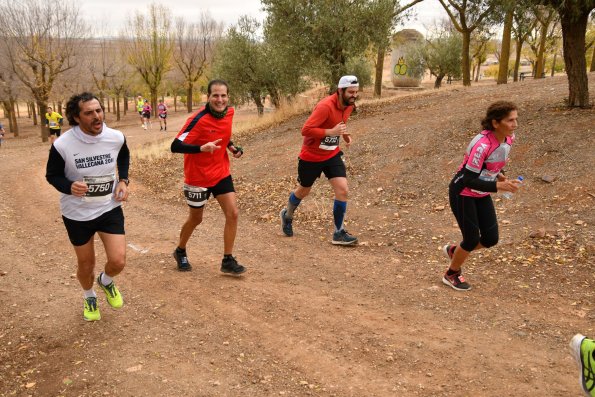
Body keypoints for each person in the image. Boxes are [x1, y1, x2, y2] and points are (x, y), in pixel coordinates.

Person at [45, 92, 130, 321]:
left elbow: (123, 154)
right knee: (86, 264)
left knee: (118, 260)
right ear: (76, 117)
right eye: (89, 113)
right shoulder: (62, 145)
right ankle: (89, 295)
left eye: (99, 110)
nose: (97, 116)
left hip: (108, 207)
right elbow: (52, 175)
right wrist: (69, 186)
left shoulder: (115, 137)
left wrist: (123, 180)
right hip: (77, 213)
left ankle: (106, 281)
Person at [442, 101, 522, 291]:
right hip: (463, 192)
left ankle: (456, 251)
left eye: (516, 119)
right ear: (495, 123)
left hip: (482, 191)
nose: (515, 124)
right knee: (470, 239)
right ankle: (451, 273)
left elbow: (494, 162)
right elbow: (468, 179)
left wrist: (500, 175)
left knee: (490, 239)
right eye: (510, 120)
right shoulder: (481, 144)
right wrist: (498, 185)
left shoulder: (508, 138)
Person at [170, 79, 246, 275]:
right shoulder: (198, 120)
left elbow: (224, 135)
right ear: (208, 97)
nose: (220, 100)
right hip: (197, 177)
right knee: (196, 219)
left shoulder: (229, 112)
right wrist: (200, 148)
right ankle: (180, 250)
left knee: (233, 213)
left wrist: (232, 148)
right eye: (215, 96)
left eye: (223, 95)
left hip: (221, 173)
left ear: (228, 97)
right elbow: (175, 146)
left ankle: (228, 260)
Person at [280, 75, 359, 245]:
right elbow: (306, 129)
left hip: (331, 154)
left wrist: (344, 135)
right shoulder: (324, 106)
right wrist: (330, 132)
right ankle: (287, 215)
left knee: (342, 189)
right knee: (303, 191)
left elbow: (339, 122)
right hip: (311, 156)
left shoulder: (349, 105)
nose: (354, 95)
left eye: (356, 92)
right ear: (340, 90)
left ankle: (338, 232)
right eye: (351, 92)